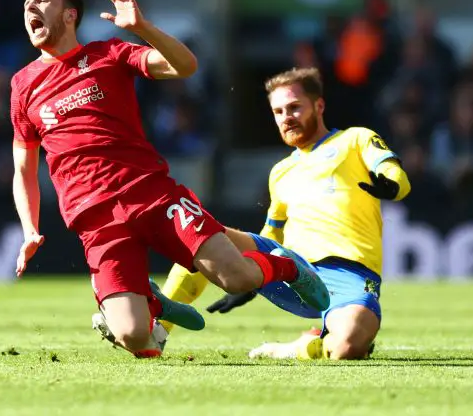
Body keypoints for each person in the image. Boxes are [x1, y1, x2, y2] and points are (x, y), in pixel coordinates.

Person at [10, 0, 330, 359]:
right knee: (131, 336)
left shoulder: (109, 54)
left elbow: (185, 66)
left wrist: (142, 27)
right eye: (27, 3)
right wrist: (29, 229)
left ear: (69, 15)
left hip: (152, 196)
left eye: (42, 0)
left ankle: (287, 269)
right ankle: (152, 305)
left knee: (236, 278)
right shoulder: (23, 85)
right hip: (95, 219)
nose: (31, 7)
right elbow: (24, 167)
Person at [160, 67, 411, 360]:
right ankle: (158, 330)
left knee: (348, 347)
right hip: (292, 270)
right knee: (202, 236)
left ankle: (304, 346)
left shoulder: (354, 140)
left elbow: (393, 172)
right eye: (278, 111)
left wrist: (392, 185)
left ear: (319, 106)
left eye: (294, 107)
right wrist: (247, 277)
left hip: (349, 273)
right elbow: (272, 234)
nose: (286, 117)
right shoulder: (280, 172)